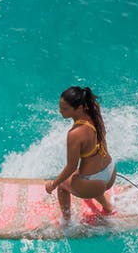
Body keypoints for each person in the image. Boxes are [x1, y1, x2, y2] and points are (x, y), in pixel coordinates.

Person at [45, 86, 116, 221]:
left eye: (65, 109)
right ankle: (108, 207)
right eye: (60, 107)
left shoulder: (75, 134)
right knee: (80, 174)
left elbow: (71, 166)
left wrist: (53, 184)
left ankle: (67, 222)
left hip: (94, 183)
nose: (60, 111)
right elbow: (92, 102)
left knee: (62, 185)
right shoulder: (95, 111)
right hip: (110, 172)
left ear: (79, 108)